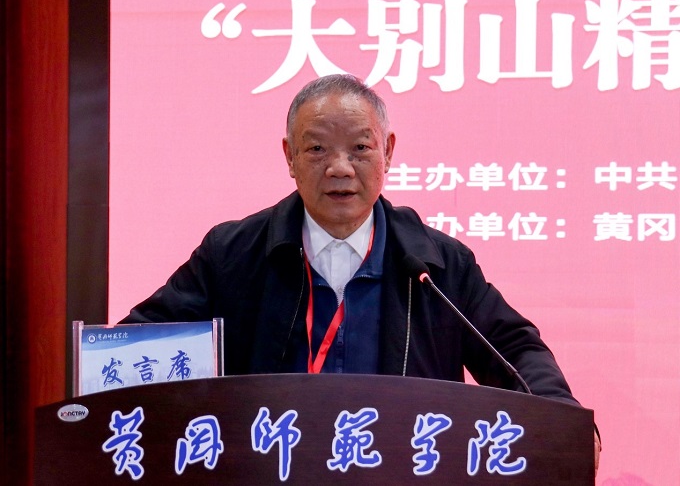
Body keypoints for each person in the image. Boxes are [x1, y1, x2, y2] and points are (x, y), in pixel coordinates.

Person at [120, 73, 600, 471]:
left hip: (404, 476)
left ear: (387, 151)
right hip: (267, 471)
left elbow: (514, 349)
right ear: (289, 157)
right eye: (316, 149)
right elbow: (141, 344)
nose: (340, 168)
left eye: (359, 149)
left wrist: (564, 424)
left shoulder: (437, 263)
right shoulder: (232, 254)